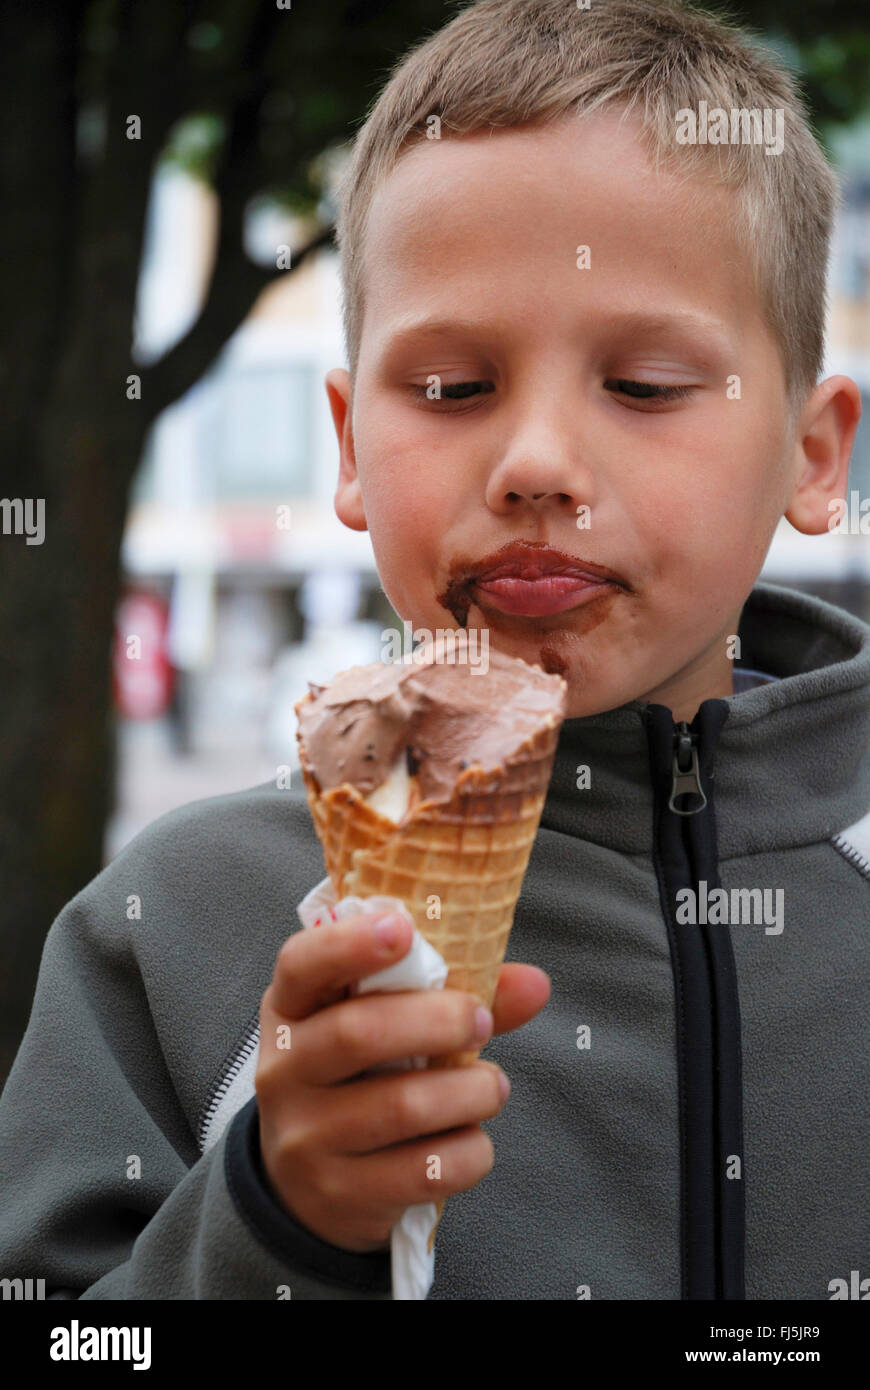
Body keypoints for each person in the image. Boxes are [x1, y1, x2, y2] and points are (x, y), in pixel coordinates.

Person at [1, 0, 868, 1300]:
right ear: (349, 447)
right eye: (453, 389)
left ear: (811, 455)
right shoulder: (175, 921)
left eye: (641, 385)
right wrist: (266, 1226)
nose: (531, 464)